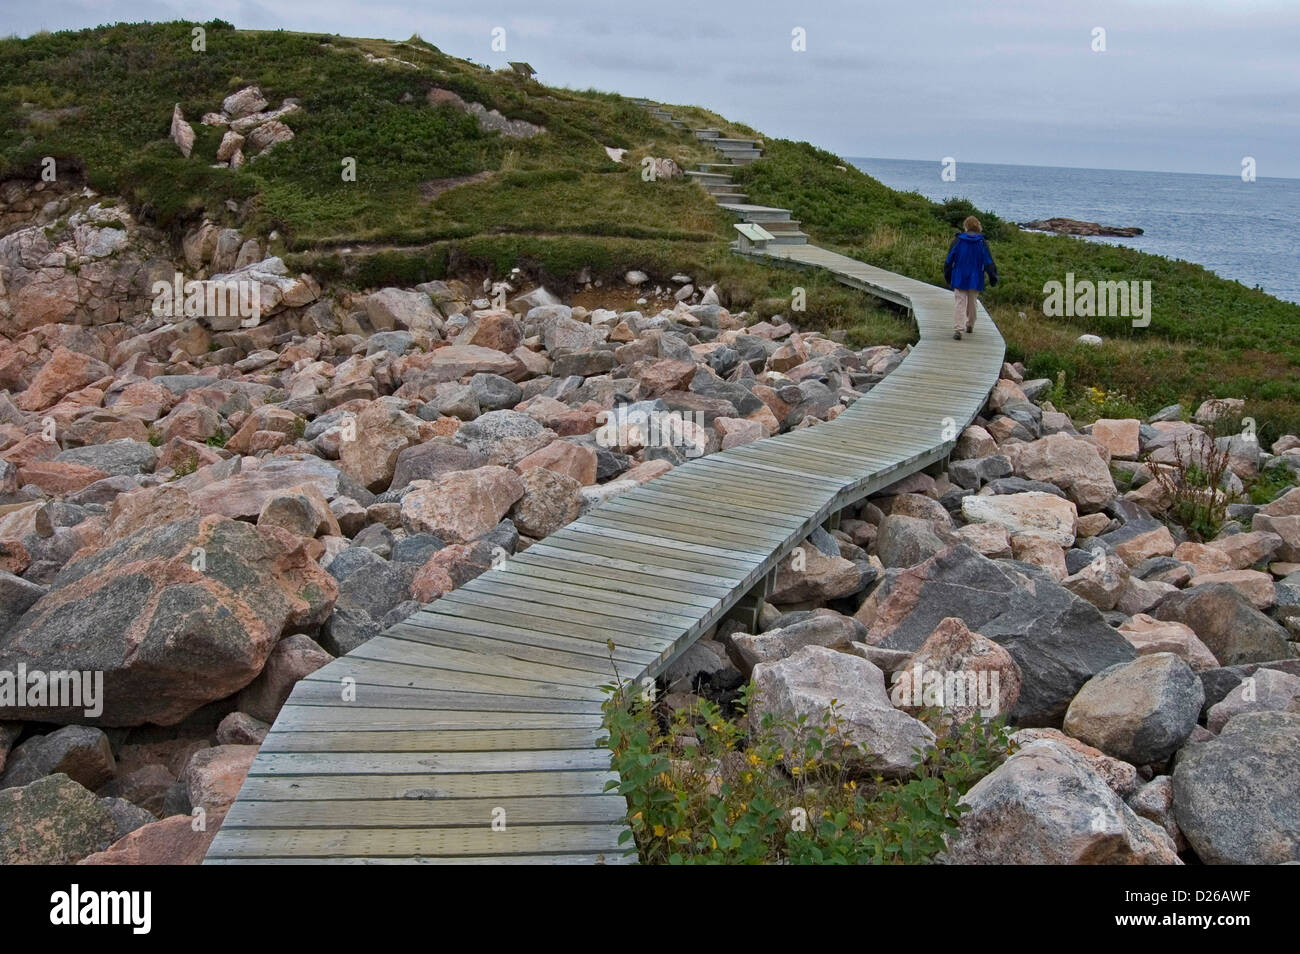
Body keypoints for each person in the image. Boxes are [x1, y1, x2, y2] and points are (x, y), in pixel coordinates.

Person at [943, 215, 998, 340]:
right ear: (978, 226)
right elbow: (988, 261)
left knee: (960, 302)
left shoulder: (958, 240)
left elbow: (949, 259)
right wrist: (993, 276)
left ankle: (958, 329)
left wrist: (947, 274)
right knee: (972, 302)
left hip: (959, 275)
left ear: (966, 226)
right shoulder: (982, 242)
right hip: (976, 276)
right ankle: (970, 324)